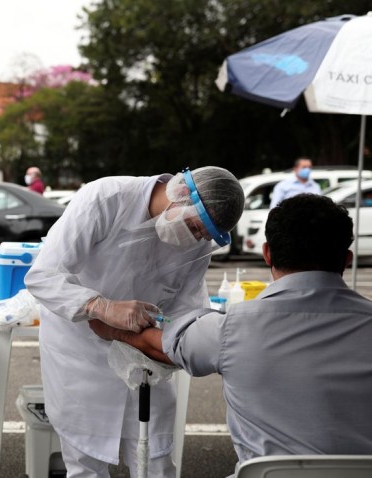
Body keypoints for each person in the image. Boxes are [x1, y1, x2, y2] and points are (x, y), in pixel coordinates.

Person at [89, 193, 372, 470]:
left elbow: (159, 346)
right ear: (347, 259)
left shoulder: (232, 327)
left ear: (267, 253)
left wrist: (108, 322)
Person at [24, 166, 244, 477]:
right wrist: (99, 306)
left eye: (204, 236)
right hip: (80, 349)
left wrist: (186, 339)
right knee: (85, 461)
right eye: (196, 228)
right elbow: (42, 276)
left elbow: (186, 306)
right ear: (181, 193)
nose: (196, 240)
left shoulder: (198, 248)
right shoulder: (106, 198)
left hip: (144, 356)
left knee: (155, 454)